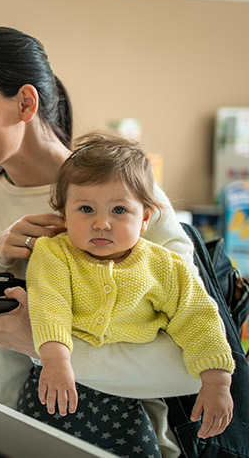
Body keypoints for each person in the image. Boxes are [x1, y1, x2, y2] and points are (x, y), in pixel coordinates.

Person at [0, 27, 204, 457]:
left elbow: (192, 368)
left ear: (26, 103)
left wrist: (41, 345)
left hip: (111, 442)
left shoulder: (128, 200)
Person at [20, 132, 234, 457]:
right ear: (64, 214)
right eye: (86, 209)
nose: (102, 223)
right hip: (54, 381)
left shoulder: (164, 266)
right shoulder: (54, 254)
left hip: (126, 393)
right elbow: (50, 305)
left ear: (145, 218)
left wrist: (217, 382)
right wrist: (56, 360)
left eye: (119, 210)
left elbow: (198, 318)